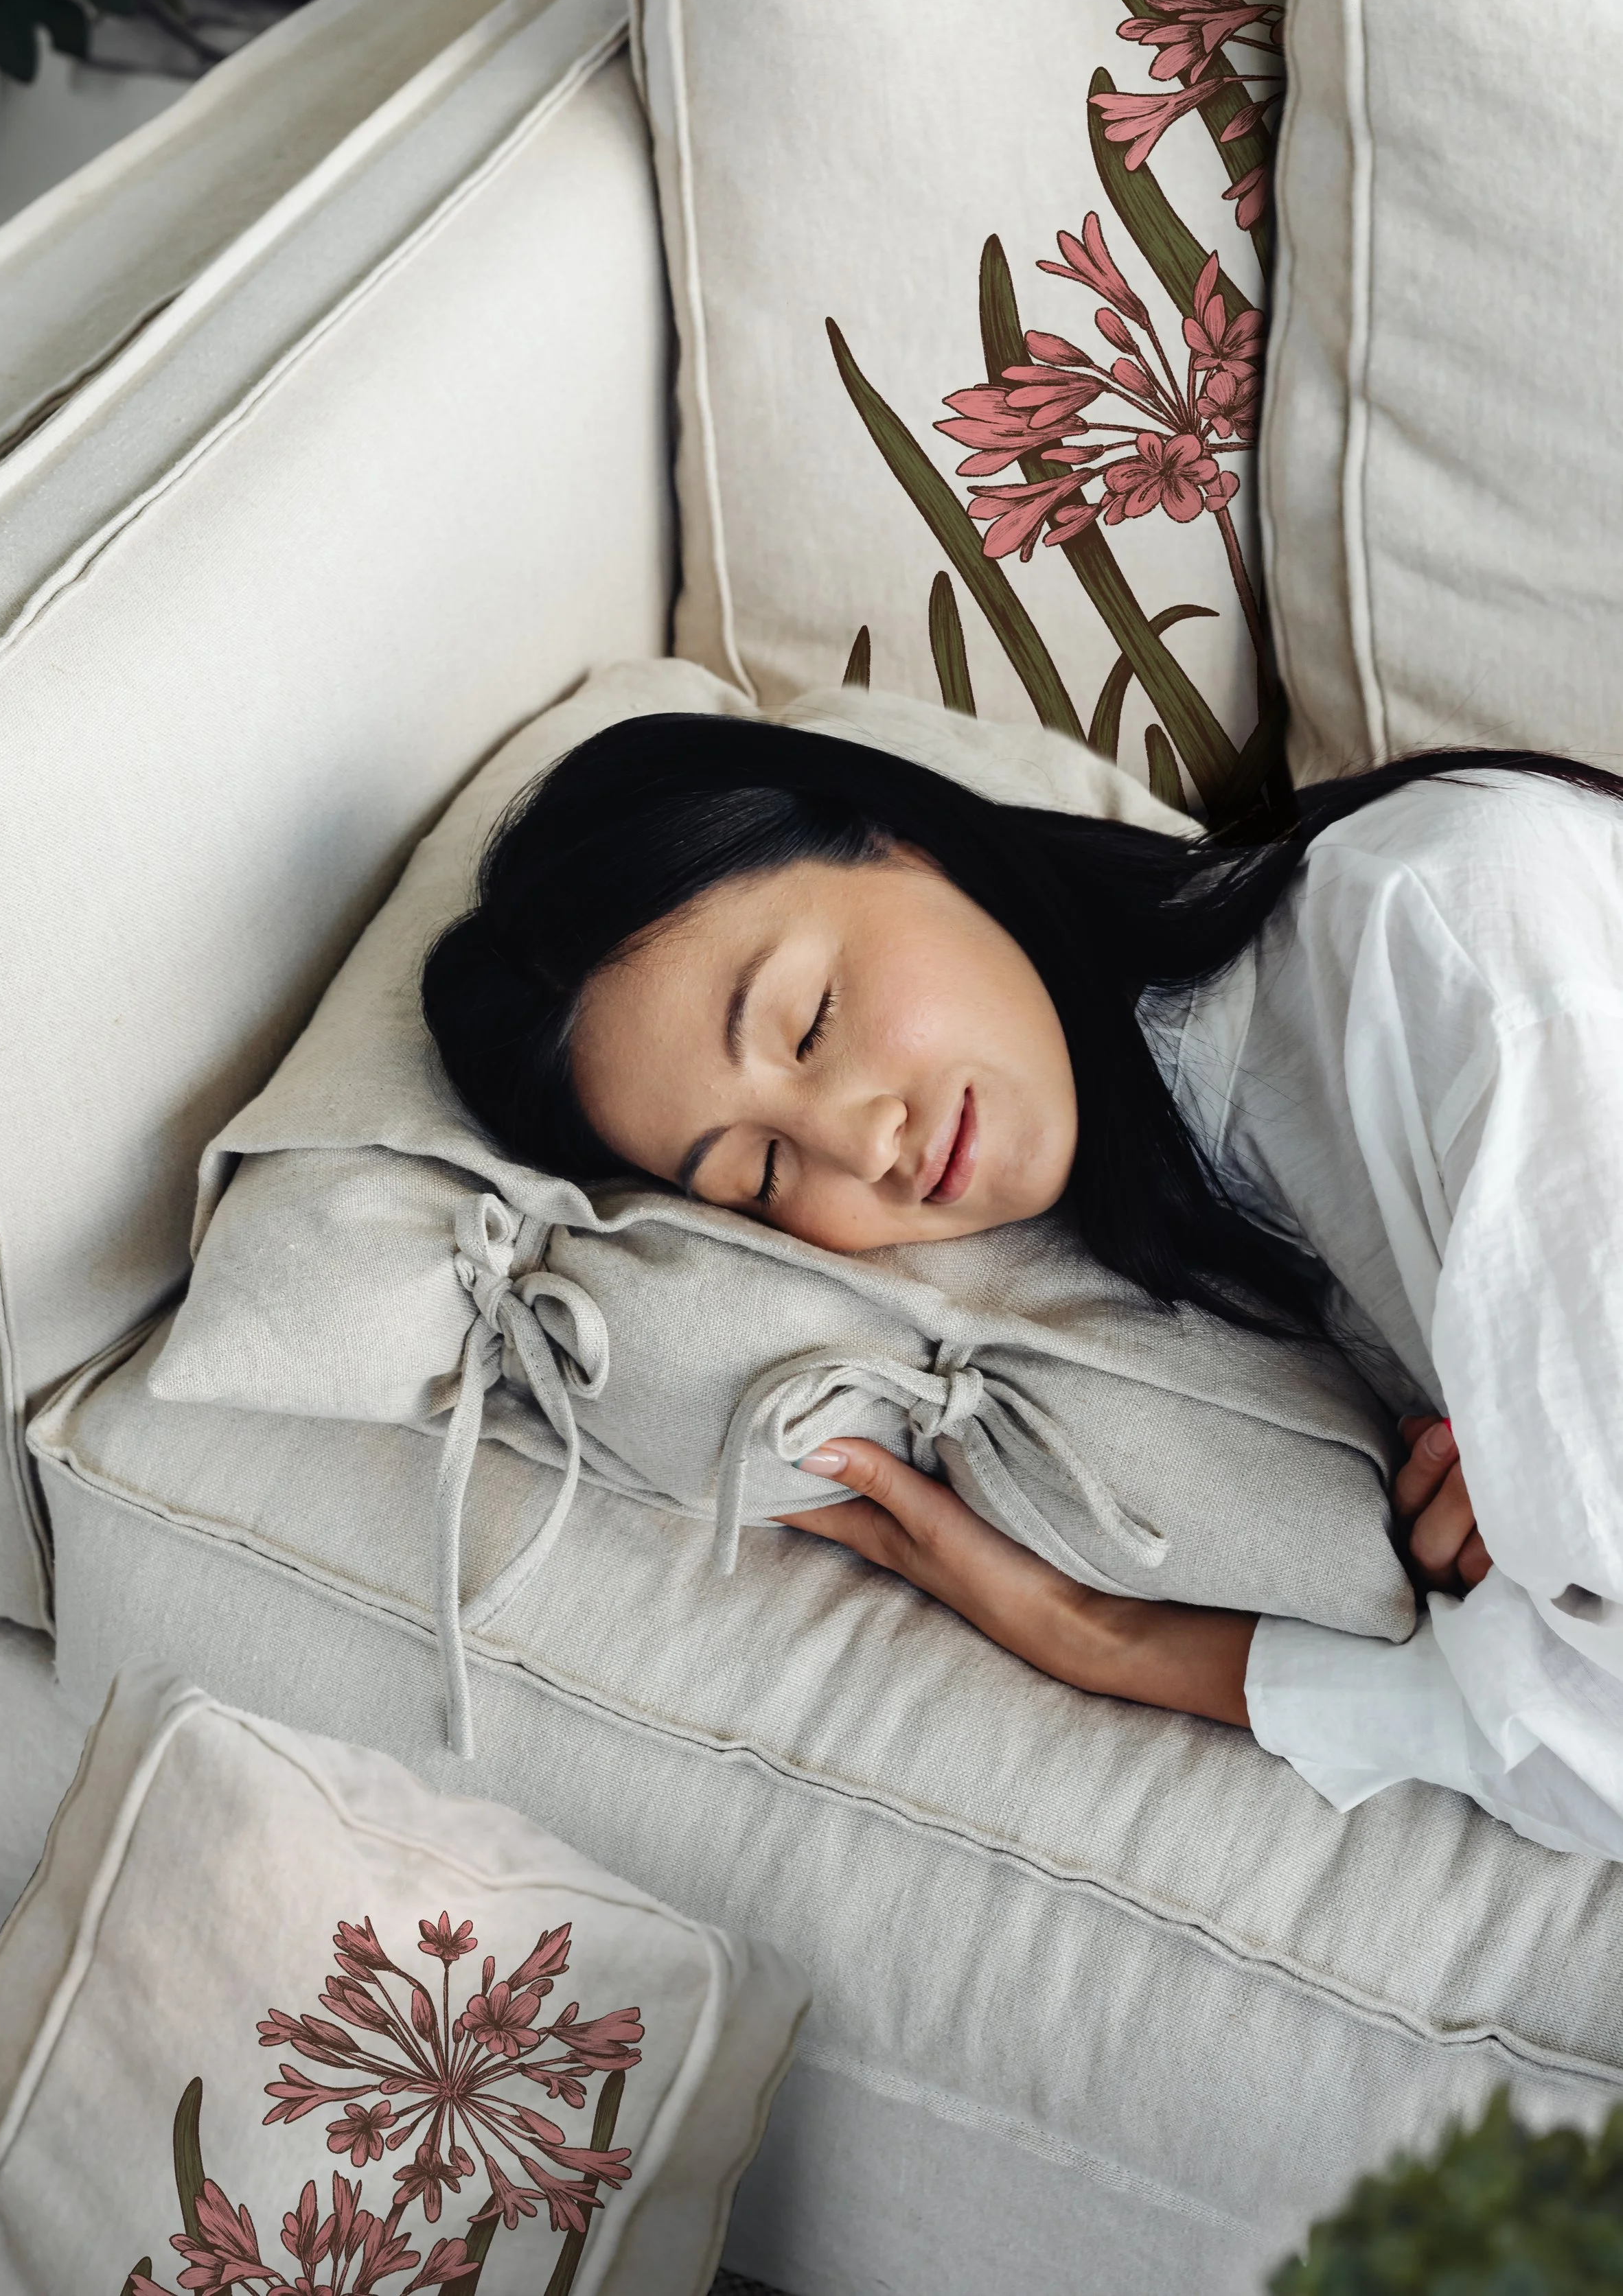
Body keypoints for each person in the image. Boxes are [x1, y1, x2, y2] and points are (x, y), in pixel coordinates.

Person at [422, 713, 1623, 1859]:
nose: (860, 1143)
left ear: (904, 840)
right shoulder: (1208, 1189)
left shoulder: (1438, 940)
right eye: (763, 1173)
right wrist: (1099, 1634)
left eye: (810, 1022)